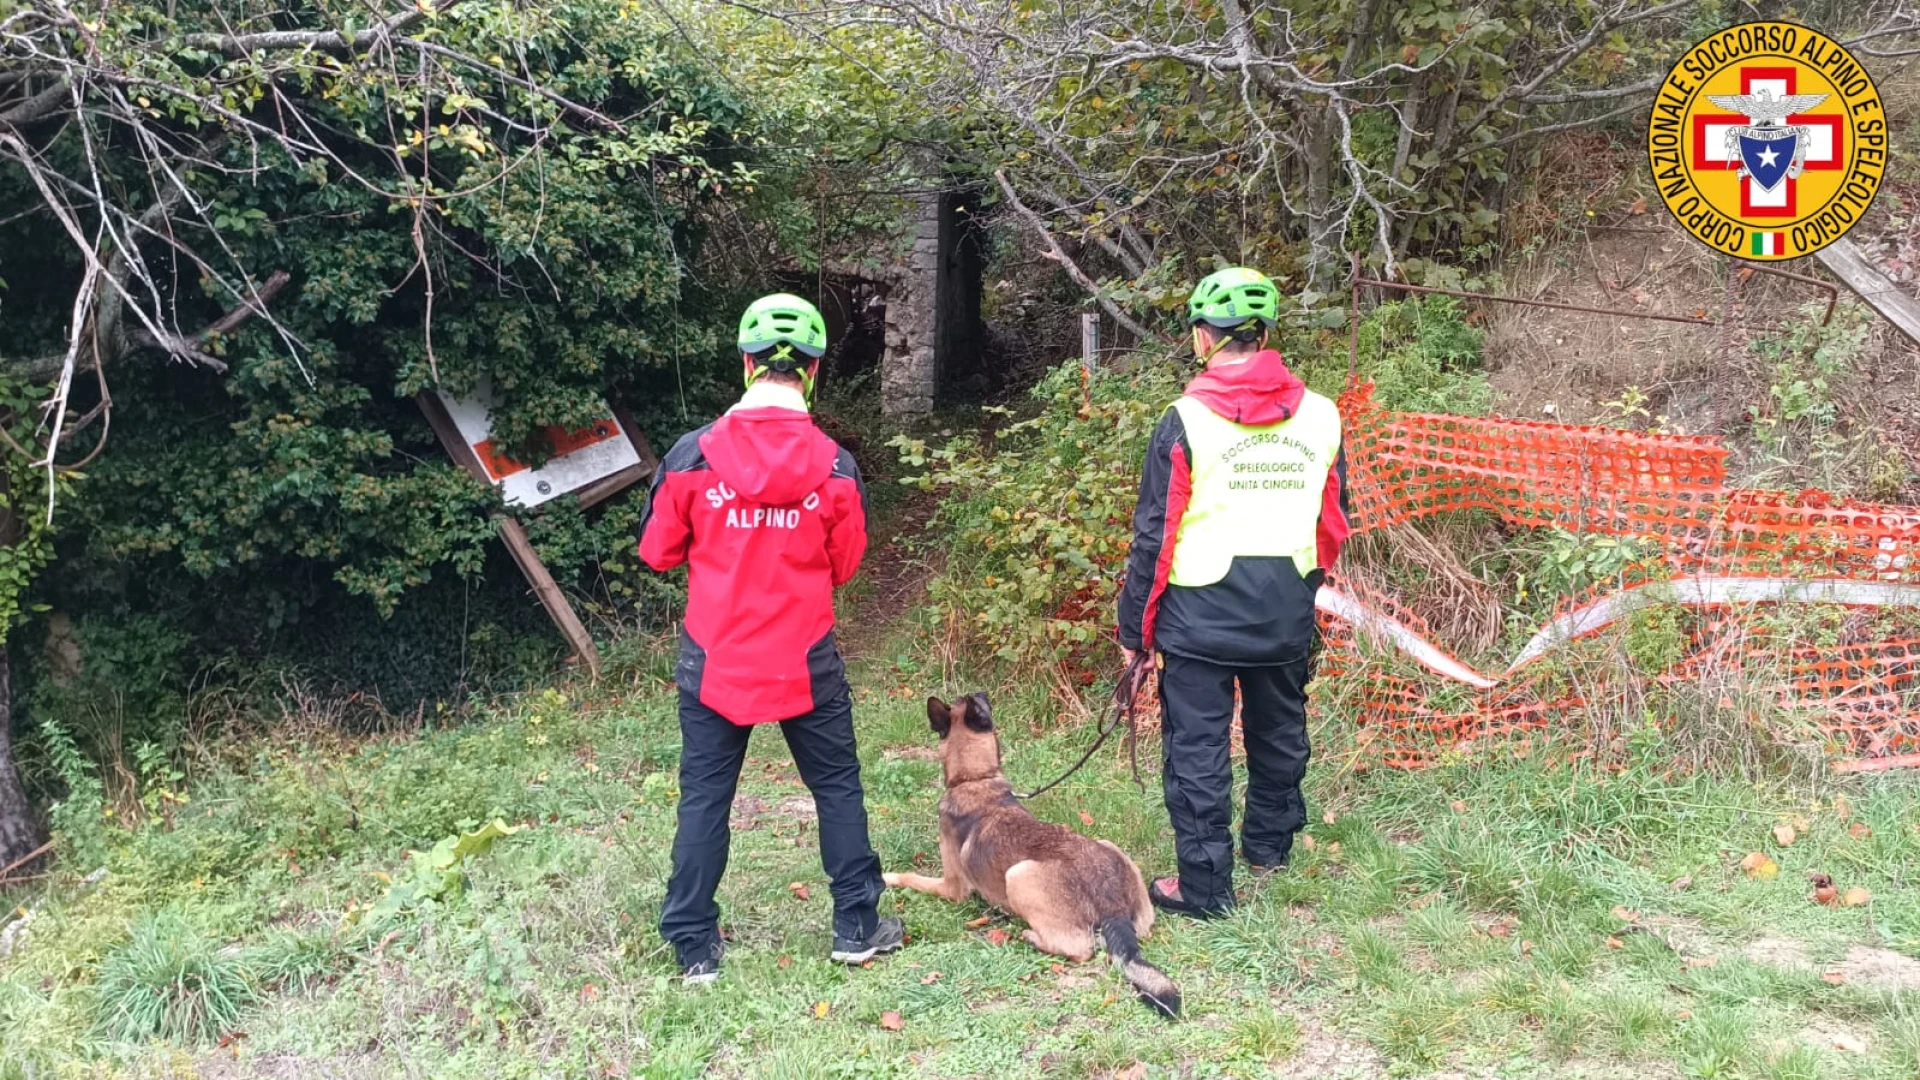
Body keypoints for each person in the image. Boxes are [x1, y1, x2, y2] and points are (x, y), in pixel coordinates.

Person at [638, 293, 901, 983]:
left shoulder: (692, 455)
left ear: (749, 364)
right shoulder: (837, 466)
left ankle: (694, 944)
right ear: (811, 373)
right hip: (804, 660)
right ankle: (857, 924)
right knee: (837, 788)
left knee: (704, 796)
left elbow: (658, 551)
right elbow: (845, 565)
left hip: (715, 659)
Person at [1115, 267, 1351, 919]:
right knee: (1279, 733)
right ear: (1265, 334)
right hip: (1284, 610)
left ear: (1203, 339)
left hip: (1198, 619)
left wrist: (1134, 629)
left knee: (1197, 750)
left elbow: (1155, 537)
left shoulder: (1185, 420)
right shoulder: (1324, 416)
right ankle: (1270, 848)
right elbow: (1332, 523)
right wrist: (1302, 586)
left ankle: (1205, 888)